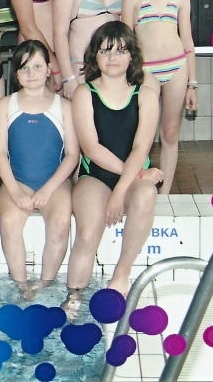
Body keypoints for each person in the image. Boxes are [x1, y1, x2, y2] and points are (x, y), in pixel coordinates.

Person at [65, 22, 162, 309]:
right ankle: (73, 298)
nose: (112, 58)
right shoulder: (84, 93)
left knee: (146, 193)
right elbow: (92, 149)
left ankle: (122, 272)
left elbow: (141, 147)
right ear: (94, 56)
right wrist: (138, 175)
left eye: (120, 51)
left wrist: (121, 190)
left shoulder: (145, 95)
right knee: (87, 232)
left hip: (131, 178)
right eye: (105, 51)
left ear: (132, 56)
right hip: (95, 176)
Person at [0, 40, 79, 289]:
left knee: (60, 223)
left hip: (55, 183)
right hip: (18, 181)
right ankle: (21, 285)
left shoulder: (64, 106)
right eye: (24, 68)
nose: (31, 73)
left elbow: (72, 155)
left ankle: (45, 284)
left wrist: (48, 190)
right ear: (16, 74)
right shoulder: (5, 105)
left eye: (37, 66)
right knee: (9, 221)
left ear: (49, 69)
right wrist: (14, 191)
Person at [121, 0, 197, 194]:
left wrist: (193, 84)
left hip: (177, 67)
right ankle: (139, 188)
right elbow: (125, 43)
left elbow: (187, 41)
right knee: (142, 135)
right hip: (146, 71)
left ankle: (165, 197)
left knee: (170, 133)